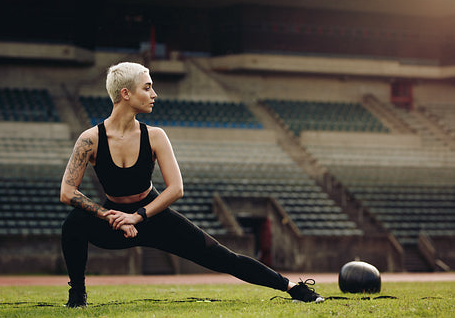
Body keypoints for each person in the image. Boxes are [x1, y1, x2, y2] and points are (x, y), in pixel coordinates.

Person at [60, 62, 324, 308]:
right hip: (115, 219)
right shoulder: (90, 139)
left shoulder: (155, 136)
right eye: (148, 87)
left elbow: (176, 188)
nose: (154, 94)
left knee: (222, 256)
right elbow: (67, 191)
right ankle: (78, 293)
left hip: (152, 216)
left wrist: (137, 216)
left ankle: (292, 288)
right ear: (126, 93)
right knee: (73, 224)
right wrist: (111, 216)